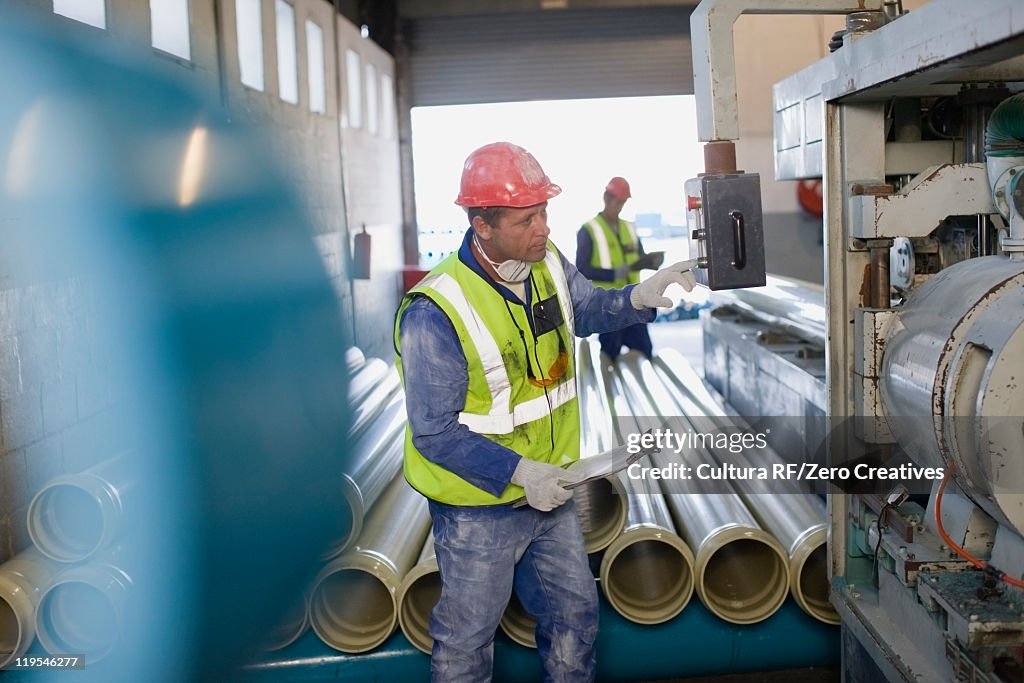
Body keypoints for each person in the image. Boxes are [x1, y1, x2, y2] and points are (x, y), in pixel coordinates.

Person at [393, 141, 695, 682]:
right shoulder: (435, 312)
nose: (544, 228)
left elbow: (585, 310)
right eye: (527, 218)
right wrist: (520, 473)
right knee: (466, 642)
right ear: (482, 225)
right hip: (478, 509)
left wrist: (638, 297)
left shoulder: (546, 263)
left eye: (545, 212)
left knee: (574, 617)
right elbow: (434, 434)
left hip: (552, 491)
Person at [576, 177, 661, 362]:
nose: (620, 206)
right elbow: (581, 269)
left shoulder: (629, 228)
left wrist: (651, 262)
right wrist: (613, 274)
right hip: (608, 307)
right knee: (609, 358)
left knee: (645, 353)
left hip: (634, 302)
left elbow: (640, 257)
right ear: (606, 198)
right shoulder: (589, 230)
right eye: (618, 201)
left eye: (623, 202)